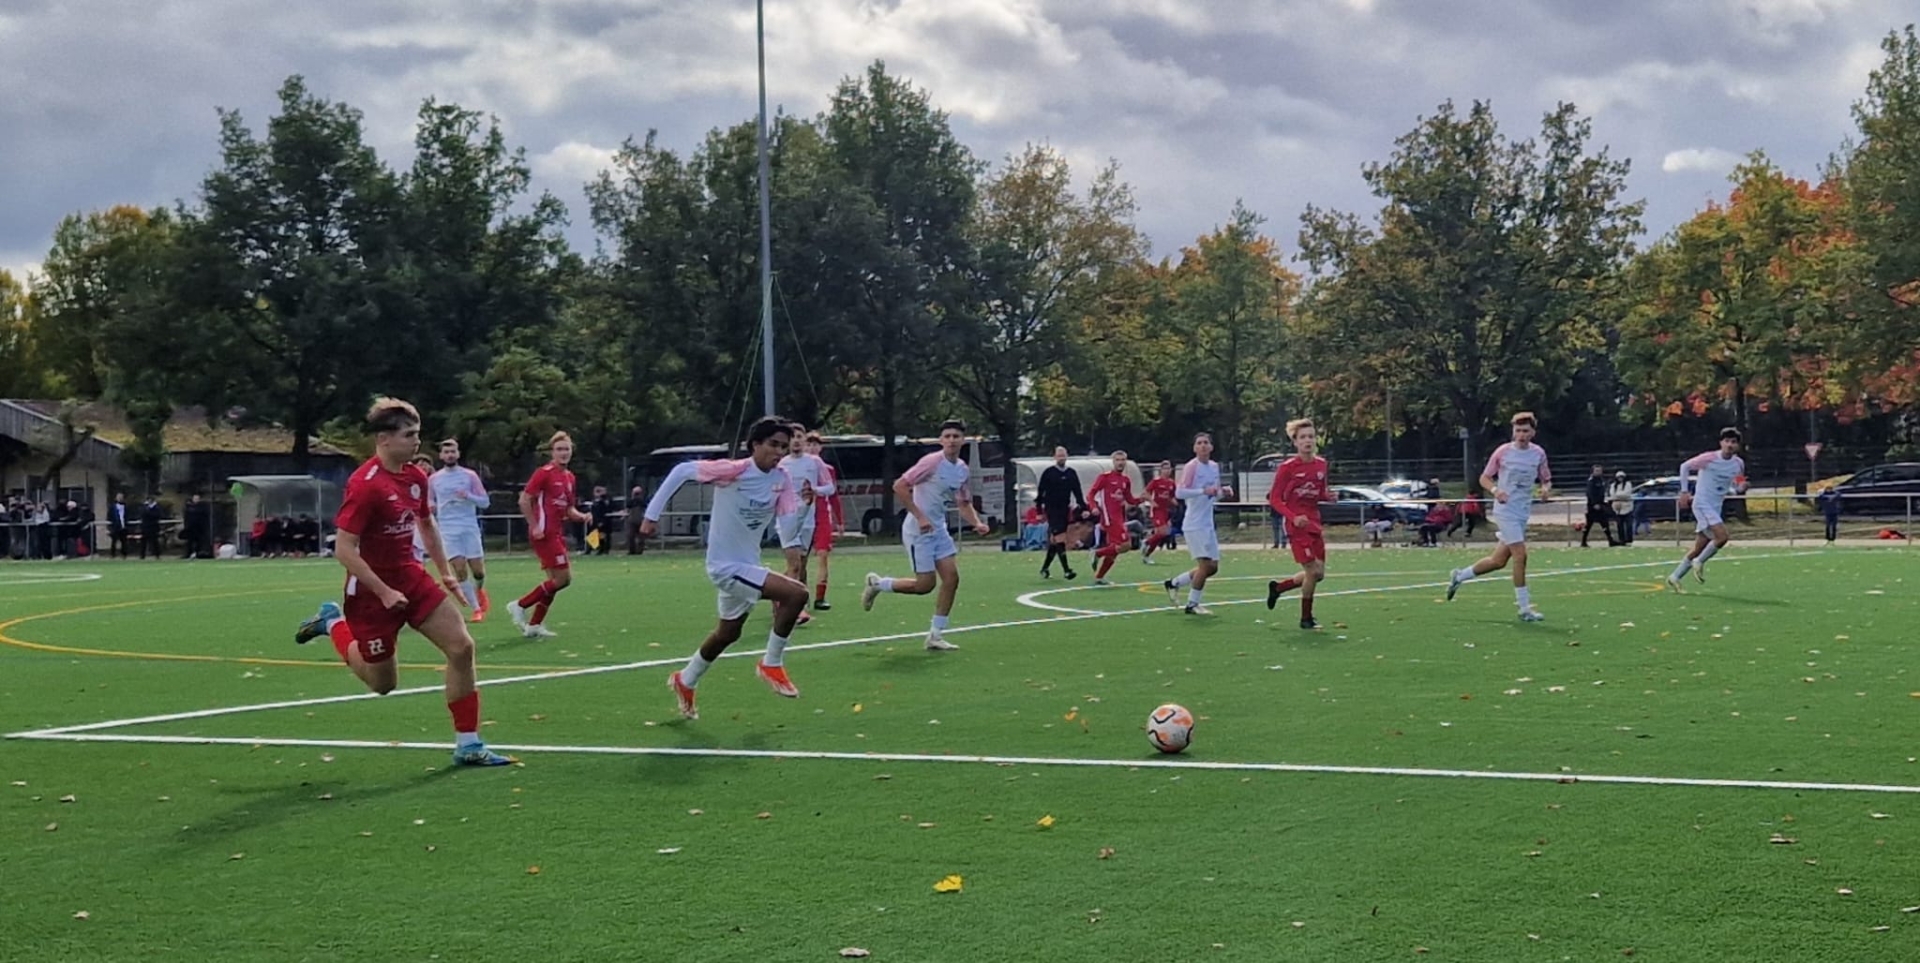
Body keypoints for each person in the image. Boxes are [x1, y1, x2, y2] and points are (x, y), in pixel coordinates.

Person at [291, 397, 513, 767]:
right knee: (383, 684)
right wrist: (383, 591)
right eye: (409, 435)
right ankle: (332, 623)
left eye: (417, 433)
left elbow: (426, 523)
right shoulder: (365, 485)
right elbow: (344, 549)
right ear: (384, 439)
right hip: (370, 592)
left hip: (410, 578)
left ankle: (469, 744)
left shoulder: (415, 477)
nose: (417, 442)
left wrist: (444, 572)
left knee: (462, 647)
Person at [642, 416, 811, 719]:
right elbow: (682, 471)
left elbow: (787, 525)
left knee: (728, 633)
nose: (779, 452)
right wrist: (651, 515)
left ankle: (686, 679)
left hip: (748, 567)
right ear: (755, 444)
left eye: (783, 447)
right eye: (773, 444)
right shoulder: (733, 471)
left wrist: (803, 511)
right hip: (724, 567)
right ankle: (772, 663)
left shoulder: (782, 479)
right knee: (797, 595)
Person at [860, 419, 991, 651]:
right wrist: (920, 517)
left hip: (938, 529)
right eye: (947, 436)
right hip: (918, 530)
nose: (951, 440)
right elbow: (899, 486)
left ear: (963, 440)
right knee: (924, 585)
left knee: (952, 579)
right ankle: (878, 584)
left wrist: (977, 523)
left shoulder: (961, 469)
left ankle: (935, 635)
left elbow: (963, 502)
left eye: (956, 436)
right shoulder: (931, 462)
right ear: (941, 440)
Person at [1446, 412, 1552, 621]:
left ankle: (1460, 576)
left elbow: (1546, 478)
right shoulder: (1503, 452)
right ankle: (1524, 608)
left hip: (1522, 511)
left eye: (1525, 431)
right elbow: (1484, 478)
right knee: (1521, 555)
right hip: (1505, 511)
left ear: (1533, 432)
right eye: (1518, 430)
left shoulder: (1538, 453)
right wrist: (1496, 491)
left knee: (1498, 561)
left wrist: (1545, 489)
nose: (1521, 435)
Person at [508, 431, 591, 639]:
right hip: (545, 533)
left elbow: (569, 509)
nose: (564, 453)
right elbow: (524, 500)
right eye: (559, 449)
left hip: (556, 532)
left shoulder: (569, 477)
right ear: (552, 452)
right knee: (564, 579)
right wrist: (534, 526)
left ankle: (534, 625)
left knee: (554, 581)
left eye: (567, 449)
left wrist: (582, 516)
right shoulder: (544, 473)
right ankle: (520, 605)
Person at [1264, 418, 1331, 629]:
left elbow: (1320, 492)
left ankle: (1279, 588)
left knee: (1319, 574)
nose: (1307, 441)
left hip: (1313, 523)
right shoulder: (1287, 468)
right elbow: (1274, 499)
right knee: (1312, 571)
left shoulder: (1321, 464)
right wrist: (1293, 517)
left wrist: (1328, 496)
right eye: (1303, 437)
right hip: (1296, 526)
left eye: (1311, 436)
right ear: (1295, 442)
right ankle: (1306, 618)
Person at [1666, 428, 1748, 591]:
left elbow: (1736, 483)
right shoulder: (1709, 458)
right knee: (1722, 537)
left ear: (1738, 446)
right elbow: (1685, 466)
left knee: (1700, 546)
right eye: (1726, 441)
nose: (1729, 445)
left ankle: (1675, 576)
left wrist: (1741, 487)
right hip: (1702, 503)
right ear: (1721, 443)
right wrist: (1684, 492)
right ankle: (1699, 561)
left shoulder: (1738, 463)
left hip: (1715, 506)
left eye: (1733, 442)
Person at [1161, 432, 1232, 616]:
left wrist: (1223, 492)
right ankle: (1192, 604)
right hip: (1194, 523)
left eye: (1206, 442)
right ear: (1194, 448)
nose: (1202, 446)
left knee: (1212, 568)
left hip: (1207, 523)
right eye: (1199, 443)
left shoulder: (1214, 467)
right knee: (1205, 565)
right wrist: (1202, 490)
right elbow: (1180, 493)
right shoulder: (1192, 467)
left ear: (1211, 447)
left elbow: (1213, 493)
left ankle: (1174, 583)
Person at [776, 424, 836, 625]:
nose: (796, 440)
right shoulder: (782, 463)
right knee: (794, 564)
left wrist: (815, 490)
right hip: (786, 518)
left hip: (807, 519)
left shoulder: (814, 462)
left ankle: (778, 593)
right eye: (792, 437)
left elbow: (830, 488)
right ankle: (796, 609)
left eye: (799, 436)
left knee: (801, 564)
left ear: (804, 439)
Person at [431, 438, 492, 622]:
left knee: (478, 571)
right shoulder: (434, 479)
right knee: (459, 569)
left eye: (453, 451)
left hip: (469, 526)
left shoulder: (469, 476)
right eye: (446, 452)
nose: (450, 455)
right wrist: (432, 507)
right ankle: (476, 609)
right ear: (441, 455)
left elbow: (485, 502)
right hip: (447, 528)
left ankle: (479, 590)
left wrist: (468, 496)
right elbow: (428, 501)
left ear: (458, 454)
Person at [1087, 450, 1142, 585]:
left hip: (1119, 517)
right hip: (1109, 517)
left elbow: (1130, 499)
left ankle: (1099, 577)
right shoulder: (1105, 477)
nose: (1120, 463)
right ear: (1113, 462)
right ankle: (1097, 553)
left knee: (1115, 550)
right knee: (1126, 545)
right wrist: (1093, 507)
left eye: (1123, 460)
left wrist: (1142, 499)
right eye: (1117, 460)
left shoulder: (1125, 480)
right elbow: (1091, 494)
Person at [806, 434, 844, 610]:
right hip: (803, 515)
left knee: (822, 555)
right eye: (809, 444)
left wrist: (840, 520)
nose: (812, 448)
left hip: (822, 515)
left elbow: (833, 495)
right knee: (799, 559)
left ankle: (820, 597)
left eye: (815, 444)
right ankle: (798, 596)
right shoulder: (794, 466)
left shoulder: (827, 469)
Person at [1036, 446, 1087, 580]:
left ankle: (1045, 568)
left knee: (1055, 541)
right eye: (1059, 456)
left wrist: (1084, 507)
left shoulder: (1071, 473)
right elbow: (1040, 492)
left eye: (1063, 455)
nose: (1061, 458)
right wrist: (1039, 510)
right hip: (1051, 509)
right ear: (1054, 457)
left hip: (1064, 509)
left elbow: (1077, 492)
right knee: (1060, 538)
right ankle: (1067, 570)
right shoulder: (1049, 473)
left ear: (1067, 456)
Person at [1141, 461, 1179, 563]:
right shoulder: (1156, 481)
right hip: (1157, 510)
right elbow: (1145, 493)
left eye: (1169, 468)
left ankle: (1146, 556)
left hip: (1166, 511)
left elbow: (1171, 496)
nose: (1167, 471)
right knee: (1163, 532)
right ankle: (1146, 542)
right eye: (1165, 468)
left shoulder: (1171, 483)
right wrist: (1152, 502)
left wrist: (1175, 502)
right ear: (1161, 470)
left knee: (1160, 535)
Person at [1581, 464, 1615, 547]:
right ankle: (1583, 541)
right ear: (1593, 471)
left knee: (1604, 523)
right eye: (1596, 470)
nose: (1599, 472)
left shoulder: (1601, 480)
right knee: (1589, 525)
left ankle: (1611, 540)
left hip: (1601, 505)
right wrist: (1594, 504)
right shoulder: (1591, 481)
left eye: (1600, 470)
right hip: (1593, 507)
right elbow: (1590, 493)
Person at [1607, 470, 1635, 546]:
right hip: (1617, 508)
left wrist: (1617, 495)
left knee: (1629, 525)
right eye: (1619, 477)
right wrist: (1618, 496)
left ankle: (1629, 539)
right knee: (1619, 525)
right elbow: (1612, 494)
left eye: (1622, 477)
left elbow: (1627, 494)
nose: (1620, 478)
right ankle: (1622, 540)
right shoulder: (1613, 485)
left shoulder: (1628, 484)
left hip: (1627, 507)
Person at [626, 484, 648, 555]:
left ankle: (639, 551)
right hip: (633, 521)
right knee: (631, 536)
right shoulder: (631, 502)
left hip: (641, 521)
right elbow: (627, 510)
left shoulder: (642, 502)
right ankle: (632, 551)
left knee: (641, 537)